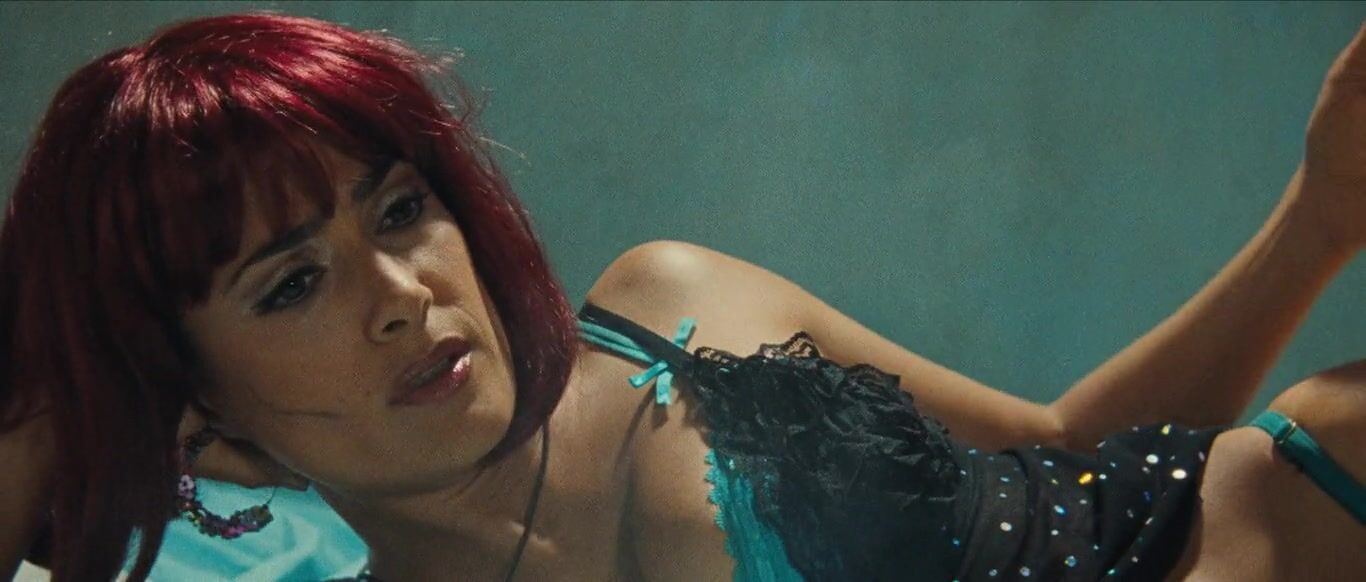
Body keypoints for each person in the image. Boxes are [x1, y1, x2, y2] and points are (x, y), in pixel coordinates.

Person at [0, 12, 1362, 582]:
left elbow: (1065, 445)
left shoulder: (673, 303)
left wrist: (1318, 218)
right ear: (196, 402)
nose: (402, 295)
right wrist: (63, 407)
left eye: (401, 210)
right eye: (292, 281)